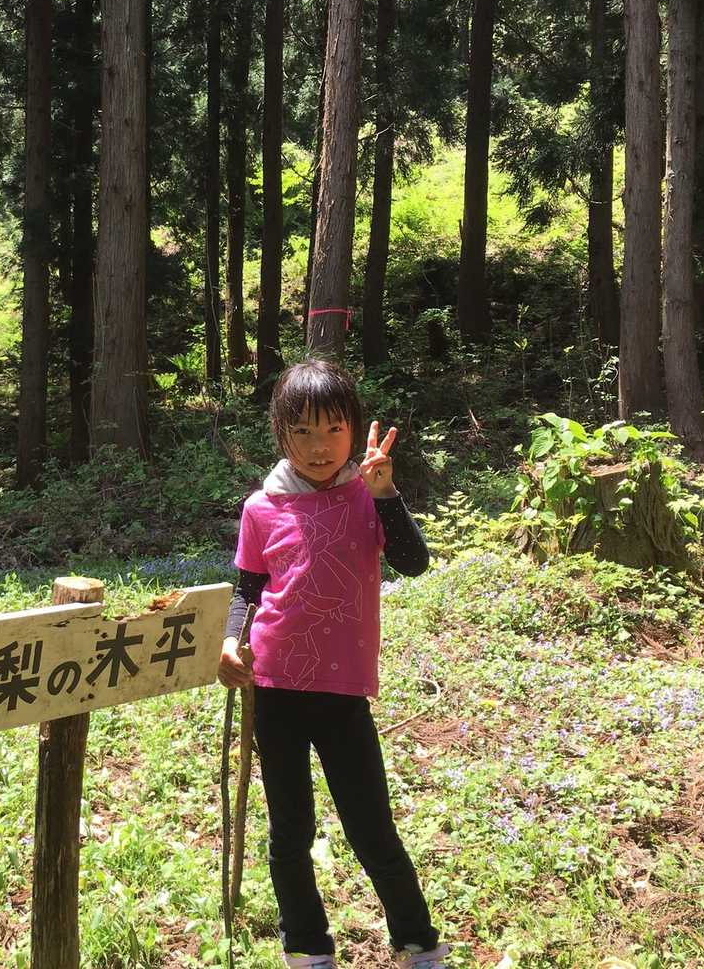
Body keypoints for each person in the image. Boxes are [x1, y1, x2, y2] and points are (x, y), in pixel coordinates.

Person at [217, 358, 449, 969]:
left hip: (343, 692)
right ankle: (307, 947)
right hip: (275, 687)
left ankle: (419, 943)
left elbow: (413, 563)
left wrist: (386, 493)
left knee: (371, 827)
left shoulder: (367, 496)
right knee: (290, 831)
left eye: (333, 430)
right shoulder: (261, 507)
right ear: (280, 433)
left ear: (353, 428)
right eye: (302, 432)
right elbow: (247, 588)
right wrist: (231, 641)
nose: (319, 447)